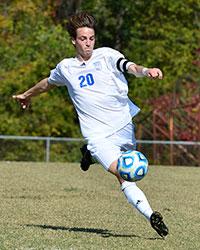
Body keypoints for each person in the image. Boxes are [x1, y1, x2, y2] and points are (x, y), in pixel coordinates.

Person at [13, 12, 169, 238]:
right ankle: (151, 215)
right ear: (73, 41)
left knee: (127, 168)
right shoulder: (66, 67)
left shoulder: (106, 55)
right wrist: (27, 94)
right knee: (124, 173)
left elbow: (131, 67)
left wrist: (146, 71)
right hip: (97, 135)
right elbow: (47, 83)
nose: (88, 43)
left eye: (91, 38)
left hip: (123, 125)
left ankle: (89, 155)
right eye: (83, 39)